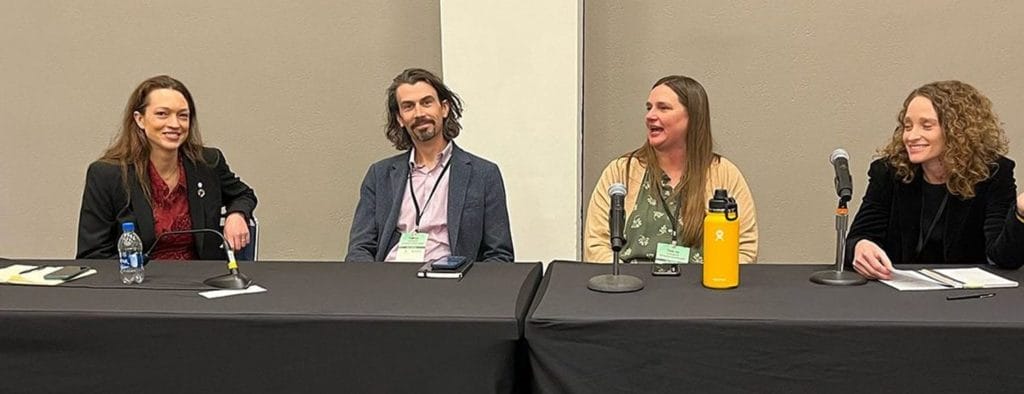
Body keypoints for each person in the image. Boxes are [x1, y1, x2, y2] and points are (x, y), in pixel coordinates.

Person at [847, 80, 1024, 279]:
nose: (911, 136)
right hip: (898, 292)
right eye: (907, 126)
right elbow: (858, 237)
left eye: (926, 126)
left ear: (958, 131)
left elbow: (1004, 259)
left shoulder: (993, 173)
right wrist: (860, 246)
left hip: (967, 297)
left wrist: (1020, 214)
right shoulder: (888, 172)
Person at [77, 75, 257, 260]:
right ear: (140, 120)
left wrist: (237, 214)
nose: (174, 124)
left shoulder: (208, 162)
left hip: (202, 282)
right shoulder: (106, 174)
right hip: (137, 283)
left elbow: (244, 194)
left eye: (183, 116)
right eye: (162, 114)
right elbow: (93, 256)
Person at [345, 68, 514, 262]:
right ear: (400, 118)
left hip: (450, 285)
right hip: (390, 282)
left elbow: (500, 255)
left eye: (426, 103)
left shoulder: (483, 174)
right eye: (408, 106)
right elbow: (360, 248)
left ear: (444, 108)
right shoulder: (379, 175)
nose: (419, 113)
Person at [584, 75, 758, 264]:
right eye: (649, 107)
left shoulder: (725, 174)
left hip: (704, 290)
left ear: (693, 117)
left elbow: (745, 249)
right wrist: (623, 282)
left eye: (663, 108)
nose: (650, 116)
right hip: (631, 289)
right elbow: (596, 244)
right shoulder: (620, 171)